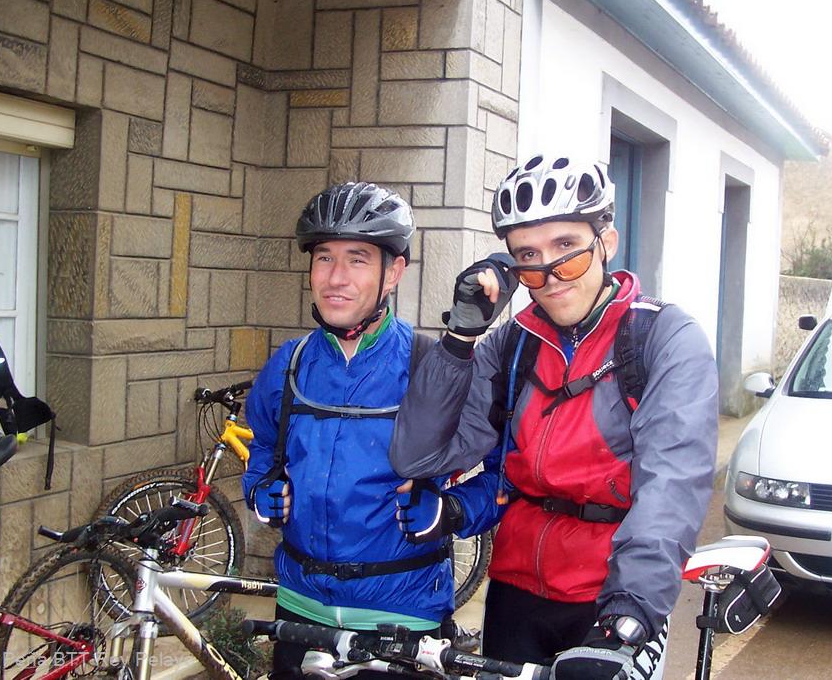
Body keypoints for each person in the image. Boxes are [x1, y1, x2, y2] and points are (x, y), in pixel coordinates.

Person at [389, 155, 719, 680]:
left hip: (611, 597)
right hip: (516, 590)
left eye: (567, 248)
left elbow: (671, 487)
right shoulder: (512, 345)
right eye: (528, 257)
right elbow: (418, 456)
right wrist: (460, 337)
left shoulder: (662, 338)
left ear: (606, 243)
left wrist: (629, 616)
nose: (549, 275)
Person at [241, 182, 499, 679]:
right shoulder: (289, 365)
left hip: (402, 615)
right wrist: (258, 487)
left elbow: (504, 475)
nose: (335, 278)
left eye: (357, 259)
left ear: (393, 272)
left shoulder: (432, 365)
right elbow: (265, 446)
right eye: (324, 258)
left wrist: (452, 510)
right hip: (300, 609)